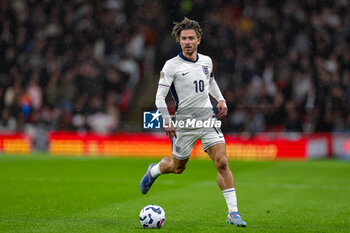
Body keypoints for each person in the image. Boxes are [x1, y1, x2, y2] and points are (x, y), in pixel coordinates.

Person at [140, 17, 247, 227]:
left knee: (222, 162)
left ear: (199, 40)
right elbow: (159, 98)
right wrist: (167, 120)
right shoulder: (171, 66)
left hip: (208, 121)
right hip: (184, 125)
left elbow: (211, 81)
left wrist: (221, 98)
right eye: (183, 39)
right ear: (179, 41)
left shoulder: (207, 61)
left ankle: (233, 212)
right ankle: (154, 170)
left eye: (191, 38)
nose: (187, 42)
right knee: (178, 167)